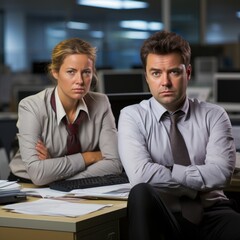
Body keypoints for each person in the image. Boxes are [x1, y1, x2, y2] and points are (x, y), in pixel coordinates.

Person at [118, 30, 240, 240]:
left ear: (188, 73)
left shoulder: (214, 115)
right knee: (140, 192)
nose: (165, 82)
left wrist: (168, 170)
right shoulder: (132, 116)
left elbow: (221, 174)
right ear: (146, 76)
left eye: (174, 72)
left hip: (212, 212)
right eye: (156, 73)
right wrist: (195, 185)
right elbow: (141, 175)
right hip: (163, 215)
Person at [9, 38, 122, 186]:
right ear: (55, 72)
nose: (80, 80)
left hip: (78, 187)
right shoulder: (31, 106)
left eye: (86, 72)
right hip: (27, 186)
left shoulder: (101, 103)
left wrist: (58, 176)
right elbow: (38, 173)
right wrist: (89, 157)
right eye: (71, 72)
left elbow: (114, 163)